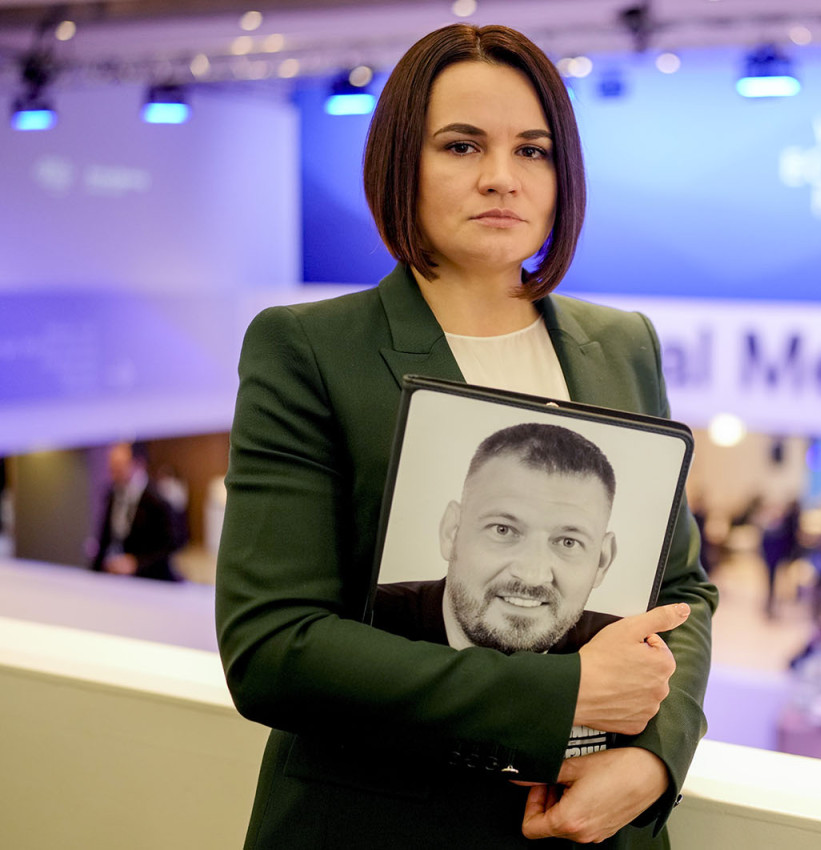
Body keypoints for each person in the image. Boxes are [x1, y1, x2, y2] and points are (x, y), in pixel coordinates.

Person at [215, 24, 717, 849]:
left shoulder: (621, 343)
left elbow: (683, 592)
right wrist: (565, 698)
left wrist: (656, 760)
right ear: (400, 163)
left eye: (533, 151)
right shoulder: (309, 349)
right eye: (461, 145)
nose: (500, 179)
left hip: (594, 828)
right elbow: (273, 648)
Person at [372, 423, 622, 655]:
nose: (531, 575)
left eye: (568, 542)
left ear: (602, 562)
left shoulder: (624, 654)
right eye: (503, 529)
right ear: (452, 532)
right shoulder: (364, 621)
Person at [90, 442, 181, 582]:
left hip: (150, 580)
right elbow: (105, 537)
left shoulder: (158, 499)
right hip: (118, 579)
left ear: (138, 464)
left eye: (119, 467)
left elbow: (171, 544)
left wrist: (136, 563)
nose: (113, 474)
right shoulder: (113, 494)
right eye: (112, 467)